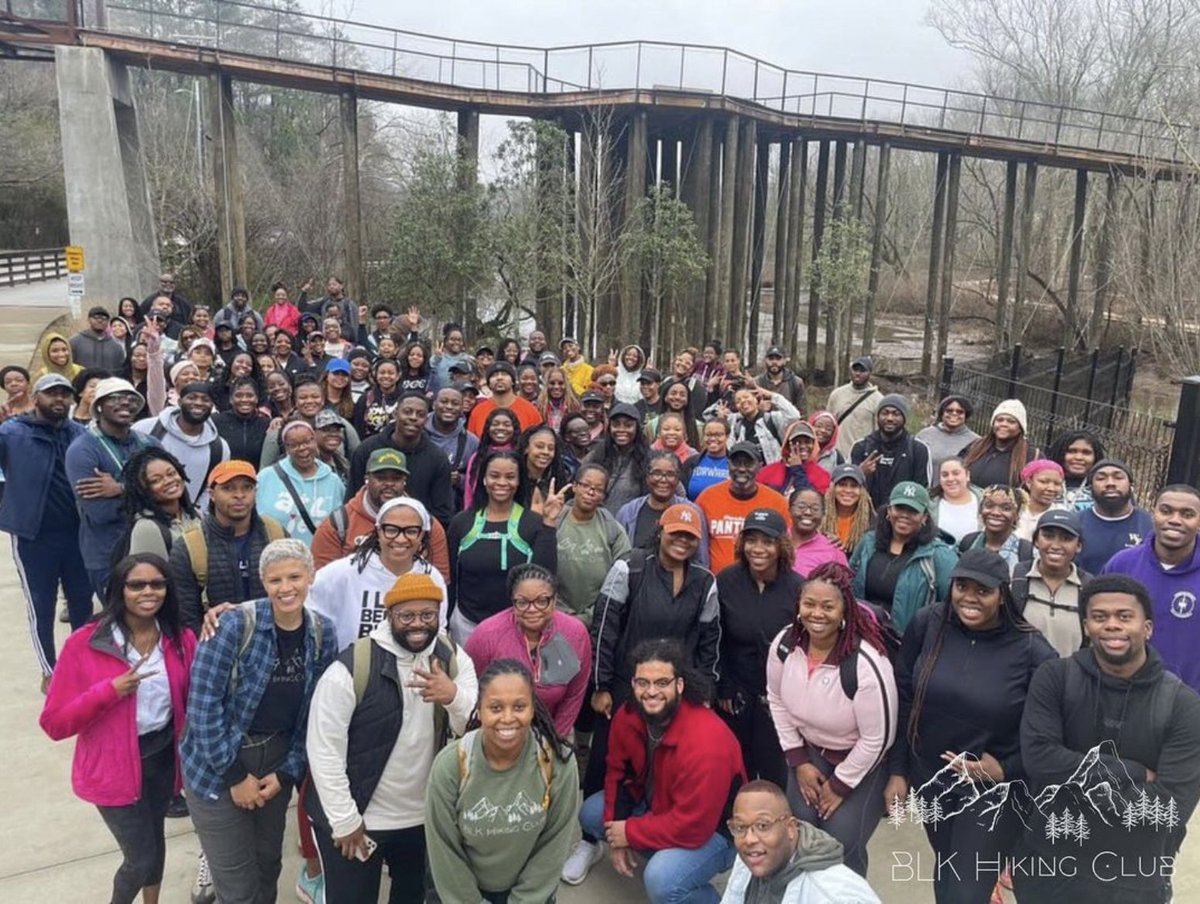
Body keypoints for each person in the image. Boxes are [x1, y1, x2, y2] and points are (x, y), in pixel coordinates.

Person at [884, 549, 1056, 904]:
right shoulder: (928, 623)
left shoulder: (1033, 651)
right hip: (932, 778)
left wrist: (1006, 768)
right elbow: (905, 697)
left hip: (994, 790)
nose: (970, 598)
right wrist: (898, 770)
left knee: (966, 891)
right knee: (948, 873)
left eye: (983, 590)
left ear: (1002, 595)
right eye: (962, 586)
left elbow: (1052, 733)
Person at [1016, 575, 1200, 904]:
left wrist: (1073, 787)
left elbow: (1170, 807)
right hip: (1047, 866)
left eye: (1124, 616)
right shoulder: (1054, 678)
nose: (1112, 625)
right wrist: (1133, 772)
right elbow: (1040, 761)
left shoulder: (1183, 705)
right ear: (1087, 626)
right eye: (1100, 617)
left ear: (1147, 628)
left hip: (1135, 880)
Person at [304, 571, 477, 904]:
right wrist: (344, 820)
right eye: (406, 615)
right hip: (360, 818)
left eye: (427, 615)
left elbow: (471, 729)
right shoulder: (352, 667)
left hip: (423, 819)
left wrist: (452, 696)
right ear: (389, 615)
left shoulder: (453, 658)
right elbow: (324, 749)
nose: (418, 624)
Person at [180, 539, 338, 904]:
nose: (286, 588)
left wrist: (287, 772)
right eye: (275, 580)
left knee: (267, 865)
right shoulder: (233, 626)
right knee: (236, 882)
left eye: (294, 577)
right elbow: (203, 707)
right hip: (217, 763)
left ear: (311, 577)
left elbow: (315, 713)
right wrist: (235, 776)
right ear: (263, 582)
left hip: (276, 760)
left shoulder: (322, 632)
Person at [39, 553, 197, 904]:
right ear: (119, 590)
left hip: (162, 759)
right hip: (112, 769)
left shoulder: (180, 639)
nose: (148, 592)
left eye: (157, 584)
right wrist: (109, 691)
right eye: (136, 585)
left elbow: (196, 696)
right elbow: (54, 723)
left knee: (154, 840)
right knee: (139, 858)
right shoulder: (84, 644)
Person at [565, 639, 745, 903]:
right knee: (592, 813)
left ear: (679, 685)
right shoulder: (627, 716)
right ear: (633, 684)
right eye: (643, 682)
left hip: (716, 831)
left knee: (661, 880)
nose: (651, 692)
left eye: (662, 683)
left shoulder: (707, 740)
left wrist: (629, 832)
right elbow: (616, 775)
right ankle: (667, 855)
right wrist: (617, 837)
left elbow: (694, 827)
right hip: (660, 805)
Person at [767, 562, 896, 878]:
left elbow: (878, 738)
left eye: (828, 606)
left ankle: (850, 895)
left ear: (844, 611)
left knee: (839, 843)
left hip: (861, 761)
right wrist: (798, 760)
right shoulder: (785, 645)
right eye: (809, 604)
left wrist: (840, 785)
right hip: (810, 751)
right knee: (801, 833)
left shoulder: (865, 663)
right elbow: (776, 699)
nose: (817, 613)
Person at [585, 505, 720, 807]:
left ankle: (652, 822)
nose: (682, 541)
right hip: (625, 685)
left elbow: (709, 643)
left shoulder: (705, 582)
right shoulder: (629, 567)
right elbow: (604, 628)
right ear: (660, 531)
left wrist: (705, 692)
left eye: (690, 536)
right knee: (610, 757)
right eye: (676, 533)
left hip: (673, 689)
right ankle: (595, 826)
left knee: (663, 761)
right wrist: (601, 686)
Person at [425, 659, 580, 903]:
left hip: (531, 895)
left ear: (533, 709)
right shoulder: (450, 766)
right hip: (464, 894)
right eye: (496, 708)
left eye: (519, 707)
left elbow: (553, 845)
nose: (508, 718)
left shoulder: (557, 762)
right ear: (480, 709)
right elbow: (444, 850)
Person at [1, 373, 94, 686]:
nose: (59, 399)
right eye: (52, 393)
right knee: (41, 605)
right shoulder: (12, 432)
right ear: (36, 398)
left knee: (82, 604)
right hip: (33, 536)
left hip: (77, 534)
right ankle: (49, 671)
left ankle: (80, 664)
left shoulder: (80, 434)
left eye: (64, 394)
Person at [717, 509, 804, 787]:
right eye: (751, 540)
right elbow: (716, 637)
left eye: (767, 541)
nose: (758, 549)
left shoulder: (798, 587)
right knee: (734, 770)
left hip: (780, 699)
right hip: (736, 693)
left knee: (774, 774)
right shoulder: (726, 580)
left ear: (781, 546)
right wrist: (724, 685)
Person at [446, 450, 563, 644]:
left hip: (517, 626)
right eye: (494, 476)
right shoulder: (462, 522)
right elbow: (450, 578)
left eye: (510, 477)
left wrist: (549, 523)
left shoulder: (533, 523)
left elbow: (545, 575)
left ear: (518, 482)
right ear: (484, 479)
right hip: (466, 624)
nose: (502, 482)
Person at [465, 563, 592, 736]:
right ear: (513, 602)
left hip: (553, 730)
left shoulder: (575, 634)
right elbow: (471, 688)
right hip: (497, 730)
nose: (532, 609)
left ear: (555, 600)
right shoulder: (486, 635)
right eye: (523, 602)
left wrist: (554, 740)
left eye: (542, 601)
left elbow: (574, 695)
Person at [308, 496, 447, 650]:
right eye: (391, 530)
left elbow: (438, 632)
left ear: (421, 535)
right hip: (352, 663)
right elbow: (309, 612)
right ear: (379, 531)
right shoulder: (343, 572)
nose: (401, 539)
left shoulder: (432, 577)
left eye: (411, 531)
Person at [66, 378, 160, 596]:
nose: (125, 402)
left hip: (153, 550)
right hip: (108, 554)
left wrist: (121, 489)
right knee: (119, 616)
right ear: (99, 405)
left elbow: (172, 494)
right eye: (115, 398)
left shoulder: (150, 443)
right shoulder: (82, 450)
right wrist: (149, 492)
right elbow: (101, 512)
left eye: (130, 398)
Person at [1103, 484, 1200, 693]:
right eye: (1166, 511)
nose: (1175, 520)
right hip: (1121, 692)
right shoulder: (1121, 564)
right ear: (1152, 513)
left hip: (1189, 699)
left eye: (1187, 514)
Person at [170, 460, 287, 631]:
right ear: (211, 494)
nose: (239, 495)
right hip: (217, 640)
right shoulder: (190, 546)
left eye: (247, 487)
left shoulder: (275, 534)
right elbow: (186, 616)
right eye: (228, 488)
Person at [720, 780, 881, 903]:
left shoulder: (836, 896)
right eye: (740, 827)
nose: (749, 839)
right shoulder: (752, 858)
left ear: (790, 828)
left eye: (763, 826)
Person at [311, 448, 450, 579]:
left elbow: (439, 580)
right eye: (381, 478)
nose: (389, 484)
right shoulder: (338, 523)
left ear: (404, 482)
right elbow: (322, 582)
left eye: (396, 478)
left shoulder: (427, 525)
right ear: (367, 479)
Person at [849, 481, 957, 636]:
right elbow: (849, 580)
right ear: (889, 511)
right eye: (899, 508)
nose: (905, 515)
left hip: (909, 641)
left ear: (924, 517)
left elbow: (952, 605)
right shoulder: (869, 542)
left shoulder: (938, 555)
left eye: (913, 511)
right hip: (863, 634)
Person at [348, 392, 453, 526]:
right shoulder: (366, 450)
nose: (413, 418)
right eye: (407, 412)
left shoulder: (438, 458)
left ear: (426, 420)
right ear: (395, 414)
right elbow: (352, 498)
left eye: (420, 414)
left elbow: (442, 512)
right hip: (366, 528)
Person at [696, 441, 790, 574]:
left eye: (748, 463)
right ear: (728, 464)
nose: (741, 469)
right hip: (716, 581)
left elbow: (789, 544)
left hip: (762, 580)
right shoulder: (707, 497)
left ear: (760, 466)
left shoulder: (777, 502)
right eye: (736, 463)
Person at [555, 462, 631, 626]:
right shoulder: (554, 522)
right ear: (574, 486)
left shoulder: (613, 529)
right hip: (555, 616)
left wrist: (590, 616)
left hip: (599, 619)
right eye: (585, 485)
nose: (590, 492)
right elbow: (539, 571)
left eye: (598, 489)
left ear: (603, 496)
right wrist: (562, 614)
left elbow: (623, 577)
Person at [133, 382, 230, 508]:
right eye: (192, 397)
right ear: (179, 402)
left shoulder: (219, 448)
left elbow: (211, 487)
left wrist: (196, 514)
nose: (198, 403)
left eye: (205, 399)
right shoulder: (147, 429)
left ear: (212, 406)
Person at [1012, 509, 1091, 657]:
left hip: (1070, 671)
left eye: (1066, 539)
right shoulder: (1017, 578)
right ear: (1036, 540)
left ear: (1078, 546)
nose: (1055, 545)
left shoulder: (1087, 587)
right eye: (1048, 536)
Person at [255, 420, 344, 546]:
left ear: (315, 441)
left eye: (307, 442)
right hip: (277, 555)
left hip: (320, 556)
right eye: (294, 445)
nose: (302, 448)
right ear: (287, 448)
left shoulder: (333, 481)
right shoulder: (266, 477)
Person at [617, 450, 710, 562]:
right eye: (657, 473)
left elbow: (701, 560)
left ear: (678, 478)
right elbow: (620, 558)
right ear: (647, 476)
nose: (663, 480)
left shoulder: (692, 512)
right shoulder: (628, 512)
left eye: (670, 474)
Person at [116, 446, 202, 562]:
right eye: (156, 480)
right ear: (142, 490)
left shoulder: (194, 515)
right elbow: (152, 573)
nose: (168, 481)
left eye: (171, 473)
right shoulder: (147, 528)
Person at [850, 393, 931, 510]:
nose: (889, 418)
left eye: (896, 414)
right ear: (877, 416)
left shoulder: (918, 449)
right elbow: (846, 486)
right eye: (885, 413)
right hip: (864, 513)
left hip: (901, 514)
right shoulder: (861, 446)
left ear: (904, 418)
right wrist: (860, 472)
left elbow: (922, 490)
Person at [1076, 459, 1154, 574]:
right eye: (1101, 478)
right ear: (1090, 487)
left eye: (1118, 477)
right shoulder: (1076, 523)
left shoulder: (1149, 524)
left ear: (1131, 485)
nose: (1110, 483)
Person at [582, 401, 651, 514]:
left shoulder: (648, 458)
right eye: (616, 425)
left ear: (637, 428)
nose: (621, 430)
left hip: (630, 521)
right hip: (596, 519)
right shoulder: (597, 454)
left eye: (628, 425)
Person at [960, 398, 1040, 489]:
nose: (1004, 424)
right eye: (999, 420)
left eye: (1011, 421)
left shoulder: (1032, 456)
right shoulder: (975, 446)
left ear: (1020, 428)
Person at [714, 385, 802, 466]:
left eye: (746, 397)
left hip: (774, 473)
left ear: (756, 399)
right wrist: (722, 421)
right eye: (738, 401)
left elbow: (794, 416)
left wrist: (772, 396)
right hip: (748, 474)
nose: (743, 401)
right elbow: (728, 450)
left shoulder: (772, 419)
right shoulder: (737, 427)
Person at [424, 385, 478, 512]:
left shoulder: (472, 442)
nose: (449, 407)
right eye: (444, 402)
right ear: (434, 405)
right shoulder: (417, 434)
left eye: (455, 403)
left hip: (453, 508)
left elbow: (477, 480)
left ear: (462, 409)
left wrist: (460, 480)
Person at [957, 484, 1034, 573]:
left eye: (1006, 508)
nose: (996, 513)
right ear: (981, 510)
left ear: (1017, 515)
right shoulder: (969, 542)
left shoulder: (1025, 551)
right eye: (989, 506)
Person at [824, 356, 882, 459]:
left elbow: (879, 434)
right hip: (836, 454)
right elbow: (827, 424)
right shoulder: (837, 394)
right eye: (855, 370)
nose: (858, 373)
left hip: (861, 456)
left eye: (863, 370)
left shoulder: (878, 400)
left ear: (870, 373)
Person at [466, 362, 543, 437]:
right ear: (488, 383)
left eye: (504, 374)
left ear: (513, 381)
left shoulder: (530, 410)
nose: (499, 378)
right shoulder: (478, 411)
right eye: (494, 375)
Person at [914, 395, 979, 481]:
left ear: (966, 415)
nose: (954, 413)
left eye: (960, 411)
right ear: (942, 413)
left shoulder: (976, 442)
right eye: (949, 410)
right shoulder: (924, 435)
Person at [758, 420, 831, 497]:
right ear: (787, 445)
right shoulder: (768, 471)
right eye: (797, 442)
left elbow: (809, 500)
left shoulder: (821, 475)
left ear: (814, 444)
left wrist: (797, 469)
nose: (802, 446)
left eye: (807, 442)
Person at [788, 487, 848, 576]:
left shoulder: (833, 550)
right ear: (790, 509)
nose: (808, 512)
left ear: (823, 514)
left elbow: (844, 582)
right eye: (801, 507)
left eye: (815, 509)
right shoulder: (777, 539)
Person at [213, 377, 271, 466]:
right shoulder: (216, 422)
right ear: (231, 399)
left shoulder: (266, 424)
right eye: (239, 396)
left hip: (258, 473)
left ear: (257, 398)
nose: (244, 400)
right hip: (225, 473)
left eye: (250, 396)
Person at [820, 463, 874, 554]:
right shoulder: (819, 517)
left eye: (854, 486)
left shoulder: (872, 522)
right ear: (833, 488)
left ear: (862, 491)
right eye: (842, 485)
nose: (848, 490)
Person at [1047, 429, 1106, 510]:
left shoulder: (1103, 488)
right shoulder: (1044, 484)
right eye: (1072, 451)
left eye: (1086, 452)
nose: (1078, 457)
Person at [928, 457, 981, 545]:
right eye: (945, 475)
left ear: (967, 475)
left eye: (956, 473)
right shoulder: (928, 505)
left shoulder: (985, 501)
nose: (950, 479)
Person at [1015, 458, 1067, 541]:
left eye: (1057, 484)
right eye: (1044, 482)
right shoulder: (1013, 510)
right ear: (1029, 482)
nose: (1051, 488)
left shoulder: (1062, 515)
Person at [354, 357, 402, 438]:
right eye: (382, 373)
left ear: (398, 376)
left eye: (391, 373)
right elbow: (358, 428)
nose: (386, 376)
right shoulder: (365, 398)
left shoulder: (405, 398)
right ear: (376, 375)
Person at [70, 305, 126, 370]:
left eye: (104, 318)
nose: (100, 320)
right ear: (88, 319)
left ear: (108, 322)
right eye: (96, 317)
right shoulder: (74, 343)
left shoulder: (116, 347)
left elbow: (120, 371)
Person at [688, 417, 731, 500]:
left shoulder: (734, 464)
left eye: (718, 435)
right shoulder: (691, 463)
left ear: (727, 436)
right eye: (708, 435)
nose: (713, 439)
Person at [755, 345, 806, 412]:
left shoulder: (796, 382)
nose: (774, 362)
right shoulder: (757, 382)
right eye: (771, 359)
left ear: (785, 360)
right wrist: (758, 408)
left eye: (778, 359)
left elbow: (801, 411)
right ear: (765, 360)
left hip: (789, 418)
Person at [808, 409, 844, 475]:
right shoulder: (802, 450)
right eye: (818, 426)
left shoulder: (836, 456)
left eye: (828, 429)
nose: (823, 430)